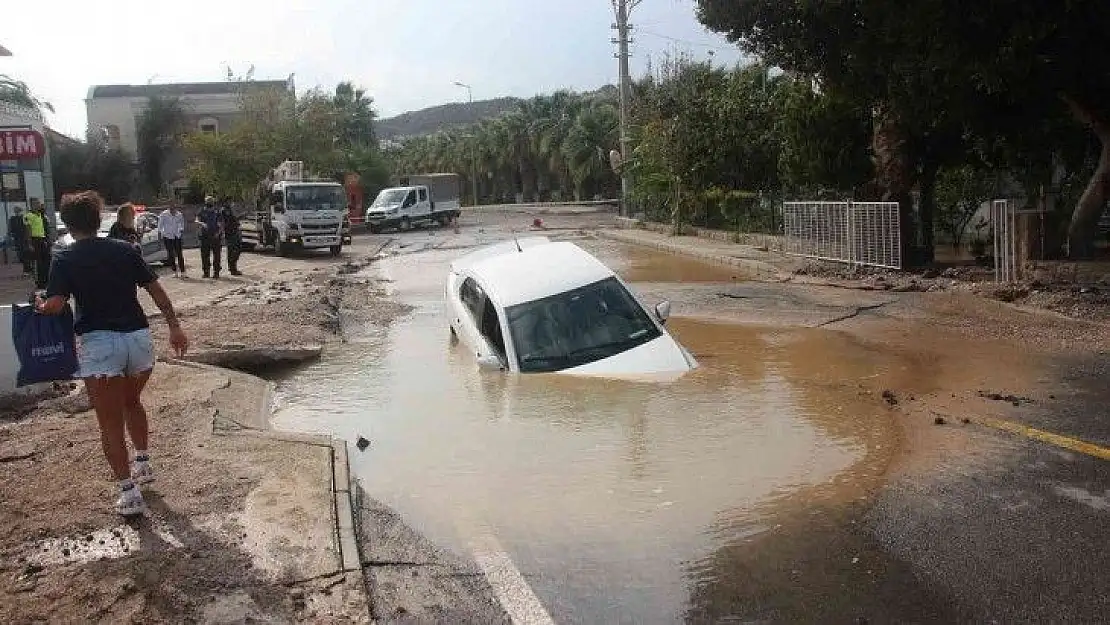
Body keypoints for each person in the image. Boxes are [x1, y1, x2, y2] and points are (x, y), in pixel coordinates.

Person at [36, 190, 189, 516]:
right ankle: (143, 463)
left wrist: (40, 304)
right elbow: (156, 290)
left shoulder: (64, 258)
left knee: (109, 423)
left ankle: (129, 493)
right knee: (132, 402)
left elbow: (55, 306)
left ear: (66, 223)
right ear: (97, 219)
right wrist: (175, 327)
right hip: (137, 340)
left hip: (100, 345)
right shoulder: (125, 250)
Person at [196, 196, 223, 279]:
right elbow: (196, 220)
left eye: (211, 202)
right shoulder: (202, 211)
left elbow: (221, 224)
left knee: (217, 255)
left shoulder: (217, 212)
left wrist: (218, 233)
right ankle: (206, 272)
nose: (209, 204)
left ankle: (216, 272)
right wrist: (202, 224)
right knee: (204, 255)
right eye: (208, 202)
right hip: (204, 236)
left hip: (215, 236)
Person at [24, 199, 49, 289]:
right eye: (37, 204)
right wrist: (30, 243)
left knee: (46, 260)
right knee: (39, 263)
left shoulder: (40, 215)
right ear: (32, 205)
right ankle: (40, 283)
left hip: (42, 239)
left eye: (39, 203)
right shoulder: (28, 215)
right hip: (35, 240)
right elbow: (28, 230)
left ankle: (46, 280)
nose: (39, 205)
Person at [157, 205, 186, 277]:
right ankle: (174, 271)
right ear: (169, 209)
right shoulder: (164, 214)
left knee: (179, 254)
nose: (173, 211)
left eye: (174, 210)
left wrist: (181, 231)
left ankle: (183, 272)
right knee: (170, 254)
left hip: (177, 236)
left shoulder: (179, 214)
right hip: (167, 236)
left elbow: (182, 224)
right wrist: (161, 234)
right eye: (171, 210)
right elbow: (160, 225)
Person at [219, 200, 243, 276]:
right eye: (229, 201)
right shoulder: (224, 210)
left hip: (234, 231)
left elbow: (233, 220)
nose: (231, 203)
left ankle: (233, 267)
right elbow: (226, 222)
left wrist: (239, 218)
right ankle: (232, 268)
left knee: (237, 249)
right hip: (230, 233)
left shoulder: (229, 210)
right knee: (232, 250)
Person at [8, 206, 30, 276]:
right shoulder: (12, 219)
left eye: (17, 210)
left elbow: (27, 227)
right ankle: (27, 269)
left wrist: (27, 237)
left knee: (24, 254)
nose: (16, 211)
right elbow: (10, 229)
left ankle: (27, 269)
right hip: (17, 238)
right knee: (20, 255)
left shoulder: (24, 217)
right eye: (15, 210)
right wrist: (10, 235)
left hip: (23, 238)